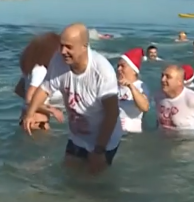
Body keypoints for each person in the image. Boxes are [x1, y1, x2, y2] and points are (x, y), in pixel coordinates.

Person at [22, 23, 123, 174]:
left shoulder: (102, 71)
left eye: (69, 47)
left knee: (92, 183)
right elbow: (44, 89)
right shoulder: (58, 61)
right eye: (61, 46)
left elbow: (112, 113)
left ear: (84, 46)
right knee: (68, 175)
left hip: (104, 138)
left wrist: (99, 150)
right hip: (78, 135)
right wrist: (30, 114)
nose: (63, 51)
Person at [14, 31, 65, 131]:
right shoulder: (41, 71)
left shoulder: (32, 69)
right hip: (38, 122)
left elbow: (19, 90)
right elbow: (29, 98)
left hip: (28, 119)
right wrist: (52, 110)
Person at [115, 48, 149, 133]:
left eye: (123, 66)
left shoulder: (140, 86)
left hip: (131, 135)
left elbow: (145, 107)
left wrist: (131, 86)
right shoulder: (113, 85)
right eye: (118, 66)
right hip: (114, 133)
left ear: (134, 71)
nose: (119, 69)